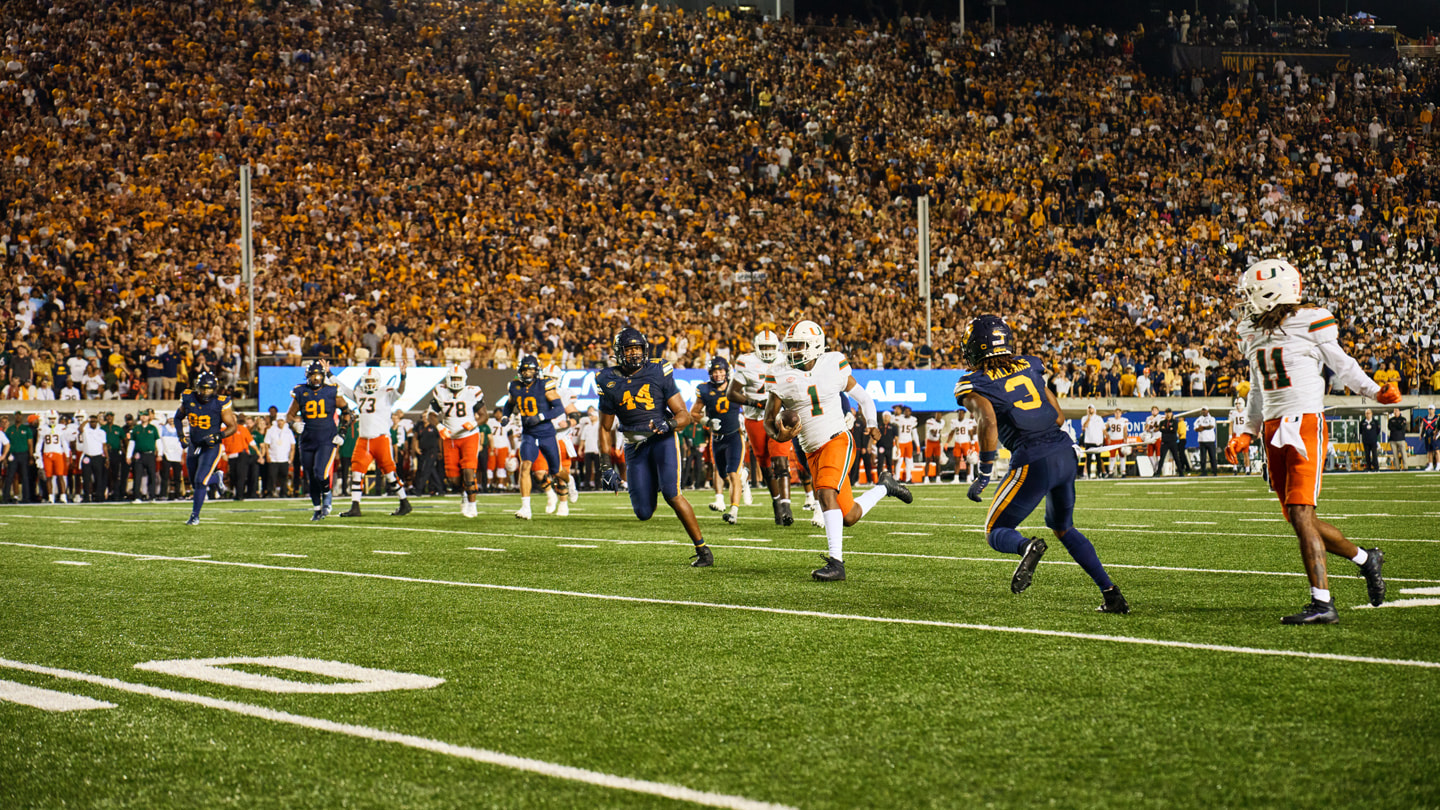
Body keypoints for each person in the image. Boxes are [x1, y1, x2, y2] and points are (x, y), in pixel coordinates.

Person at [1225, 258, 1398, 623]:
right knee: (1297, 516)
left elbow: (1343, 364)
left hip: (1303, 422)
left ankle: (1323, 604)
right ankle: (1367, 559)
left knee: (1303, 513)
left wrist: (1373, 392)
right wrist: (1248, 432)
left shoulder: (1310, 319)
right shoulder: (1250, 330)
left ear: (1272, 293)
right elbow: (1257, 388)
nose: (1246, 302)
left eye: (1251, 294)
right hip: (1272, 428)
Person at [956, 315, 1129, 614]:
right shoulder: (1031, 365)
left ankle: (1026, 547)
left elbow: (988, 420)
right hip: (1064, 453)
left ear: (975, 346)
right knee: (1063, 527)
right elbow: (1059, 417)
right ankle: (1111, 593)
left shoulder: (973, 381)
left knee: (996, 529)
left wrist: (985, 470)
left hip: (1033, 459)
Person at [763, 320, 911, 581]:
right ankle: (885, 486)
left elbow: (864, 398)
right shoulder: (780, 373)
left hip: (837, 439)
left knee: (825, 493)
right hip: (811, 449)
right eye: (791, 345)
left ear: (814, 346)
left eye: (799, 345)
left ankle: (836, 564)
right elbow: (768, 419)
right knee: (849, 515)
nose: (793, 350)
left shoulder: (833, 363)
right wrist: (779, 434)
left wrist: (873, 424)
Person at [597, 327, 713, 567]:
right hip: (634, 446)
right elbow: (604, 427)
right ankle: (653, 482)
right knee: (643, 512)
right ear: (619, 352)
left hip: (661, 440)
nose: (634, 354)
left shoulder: (658, 370)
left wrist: (667, 423)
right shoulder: (607, 380)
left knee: (672, 494)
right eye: (629, 349)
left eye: (638, 348)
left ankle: (703, 550)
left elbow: (684, 416)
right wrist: (605, 466)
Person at [728, 329, 794, 526]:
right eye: (763, 347)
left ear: (777, 347)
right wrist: (755, 403)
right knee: (765, 466)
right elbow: (732, 393)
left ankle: (786, 505)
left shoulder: (786, 360)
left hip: (778, 417)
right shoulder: (746, 362)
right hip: (755, 419)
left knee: (781, 462)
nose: (767, 351)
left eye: (770, 347)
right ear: (756, 348)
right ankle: (776, 503)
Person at [504, 355, 575, 519]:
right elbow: (509, 403)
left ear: (536, 371)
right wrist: (506, 416)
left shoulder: (545, 385)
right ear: (520, 371)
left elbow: (559, 409)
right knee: (525, 466)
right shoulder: (514, 386)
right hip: (528, 433)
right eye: (525, 369)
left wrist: (541, 417)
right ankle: (525, 508)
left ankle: (570, 480)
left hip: (546, 433)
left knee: (556, 471)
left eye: (530, 369)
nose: (528, 372)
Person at [335, 365, 412, 517]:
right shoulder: (359, 393)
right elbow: (343, 388)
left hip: (380, 439)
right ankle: (355, 506)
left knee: (389, 473)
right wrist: (330, 374)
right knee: (356, 471)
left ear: (377, 381)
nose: (369, 383)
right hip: (363, 439)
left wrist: (403, 377)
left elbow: (400, 391)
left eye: (372, 380)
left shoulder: (386, 392)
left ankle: (404, 502)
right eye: (367, 380)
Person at [284, 360, 350, 521]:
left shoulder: (331, 391)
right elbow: (289, 415)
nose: (316, 378)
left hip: (326, 439)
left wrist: (342, 432)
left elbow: (347, 412)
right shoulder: (301, 392)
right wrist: (293, 424)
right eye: (313, 375)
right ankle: (317, 508)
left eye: (319, 375)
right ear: (308, 376)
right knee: (310, 476)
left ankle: (327, 494)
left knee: (320, 472)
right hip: (307, 440)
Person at [174, 370, 239, 525]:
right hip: (194, 444)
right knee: (195, 481)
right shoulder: (189, 398)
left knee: (200, 480)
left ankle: (195, 516)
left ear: (214, 389)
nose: (205, 392)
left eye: (209, 389)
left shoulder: (220, 402)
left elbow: (232, 426)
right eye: (203, 388)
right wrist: (181, 436)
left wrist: (218, 436)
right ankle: (216, 478)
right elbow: (177, 418)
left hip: (211, 446)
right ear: (197, 387)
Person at [691, 356, 744, 524]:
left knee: (732, 472)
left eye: (721, 370)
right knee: (720, 472)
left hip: (734, 435)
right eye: (715, 371)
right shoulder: (704, 390)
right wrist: (705, 421)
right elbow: (694, 412)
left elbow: (749, 404)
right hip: (716, 438)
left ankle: (734, 510)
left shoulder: (736, 386)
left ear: (727, 372)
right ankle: (722, 497)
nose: (718, 374)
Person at [428, 364, 486, 517]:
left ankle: (472, 505)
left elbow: (484, 415)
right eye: (453, 378)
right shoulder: (440, 391)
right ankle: (465, 495)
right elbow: (431, 415)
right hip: (450, 438)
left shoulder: (472, 392)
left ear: (464, 379)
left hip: (469, 436)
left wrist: (473, 424)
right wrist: (440, 426)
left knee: (468, 470)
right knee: (453, 479)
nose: (455, 381)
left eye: (457, 378)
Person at [37, 410, 72, 503]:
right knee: (48, 477)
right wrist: (38, 456)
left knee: (60, 476)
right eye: (50, 418)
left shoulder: (60, 428)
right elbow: (39, 443)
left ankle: (63, 496)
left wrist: (67, 455)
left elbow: (64, 442)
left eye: (53, 418)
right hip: (47, 454)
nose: (52, 420)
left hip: (58, 453)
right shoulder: (42, 428)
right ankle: (50, 497)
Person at [3, 412, 35, 503]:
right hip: (13, 454)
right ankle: (6, 497)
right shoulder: (10, 429)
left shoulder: (26, 429)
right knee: (10, 476)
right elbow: (6, 443)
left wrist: (31, 456)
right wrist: (6, 456)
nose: (18, 417)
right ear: (14, 417)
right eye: (16, 415)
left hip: (23, 454)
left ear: (21, 417)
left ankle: (26, 498)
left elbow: (30, 443)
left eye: (19, 415)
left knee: (25, 476)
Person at [412, 411, 445, 496]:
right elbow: (416, 437)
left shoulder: (434, 426)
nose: (424, 418)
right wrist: (416, 448)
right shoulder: (419, 426)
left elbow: (439, 439)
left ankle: (419, 489)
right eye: (423, 416)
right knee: (431, 470)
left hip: (432, 450)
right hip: (423, 450)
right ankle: (440, 489)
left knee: (426, 469)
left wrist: (440, 451)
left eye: (426, 416)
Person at [264, 415, 296, 497]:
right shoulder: (271, 430)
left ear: (284, 422)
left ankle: (284, 492)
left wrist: (291, 457)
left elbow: (292, 445)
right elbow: (266, 444)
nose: (280, 422)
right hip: (273, 457)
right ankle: (270, 492)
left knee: (284, 477)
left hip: (284, 458)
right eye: (279, 421)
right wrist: (267, 455)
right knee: (271, 476)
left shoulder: (288, 432)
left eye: (282, 421)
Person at [80, 412, 107, 502]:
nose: (93, 423)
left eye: (95, 422)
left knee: (98, 478)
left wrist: (106, 458)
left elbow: (104, 445)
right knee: (86, 478)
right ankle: (87, 496)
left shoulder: (101, 432)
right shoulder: (86, 431)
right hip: (88, 455)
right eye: (92, 422)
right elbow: (80, 428)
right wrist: (87, 420)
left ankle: (99, 496)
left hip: (98, 456)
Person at [1154, 408, 1185, 476]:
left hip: (1172, 441)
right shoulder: (1162, 422)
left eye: (1169, 412)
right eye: (1166, 412)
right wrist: (1168, 429)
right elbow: (1161, 430)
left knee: (1176, 457)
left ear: (1171, 413)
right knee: (1162, 458)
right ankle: (1158, 472)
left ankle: (1181, 472)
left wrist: (1166, 429)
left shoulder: (1174, 422)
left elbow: (1174, 430)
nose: (1168, 414)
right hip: (1165, 441)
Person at [1228, 397, 1252, 474]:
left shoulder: (1246, 412)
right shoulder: (1233, 413)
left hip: (1244, 435)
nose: (1237, 405)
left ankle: (1247, 469)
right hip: (1236, 434)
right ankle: (1235, 468)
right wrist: (1230, 436)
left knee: (1245, 453)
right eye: (1236, 404)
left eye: (1239, 403)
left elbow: (1249, 424)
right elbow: (1231, 425)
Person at [1080, 404, 1105, 479]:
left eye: (1091, 409)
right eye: (1089, 409)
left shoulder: (1099, 418)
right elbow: (1085, 426)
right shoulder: (1084, 418)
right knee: (1088, 459)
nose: (1090, 410)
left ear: (1094, 410)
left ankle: (1100, 474)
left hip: (1097, 441)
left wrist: (1105, 437)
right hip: (1088, 441)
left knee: (1098, 458)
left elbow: (1103, 428)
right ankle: (1088, 474)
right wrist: (1089, 418)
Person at [1104, 407, 1129, 478]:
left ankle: (1123, 472)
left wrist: (1125, 439)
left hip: (1120, 440)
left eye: (1119, 413)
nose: (1117, 414)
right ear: (1114, 413)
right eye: (1116, 413)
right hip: (1112, 440)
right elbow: (1104, 428)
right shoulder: (1110, 420)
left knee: (1122, 456)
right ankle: (1111, 472)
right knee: (1112, 457)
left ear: (1121, 413)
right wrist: (1107, 436)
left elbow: (1125, 430)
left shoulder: (1124, 420)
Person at [1193, 407, 1218, 476]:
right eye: (1202, 410)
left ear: (1208, 411)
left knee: (1212, 457)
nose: (1203, 411)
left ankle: (1214, 471)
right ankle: (1203, 471)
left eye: (1205, 410)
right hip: (1202, 440)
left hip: (1210, 440)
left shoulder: (1212, 418)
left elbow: (1211, 426)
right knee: (1203, 458)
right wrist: (1200, 428)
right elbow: (1195, 428)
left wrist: (1202, 427)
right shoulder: (1199, 419)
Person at [1422, 406, 1439, 472]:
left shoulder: (1437, 418)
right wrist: (1421, 434)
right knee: (1429, 451)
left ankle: (1438, 464)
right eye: (1429, 409)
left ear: (1434, 410)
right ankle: (1430, 465)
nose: (1430, 410)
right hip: (1428, 435)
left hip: (1435, 435)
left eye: (1431, 409)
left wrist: (1437, 433)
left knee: (1437, 450)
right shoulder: (1425, 418)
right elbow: (1423, 426)